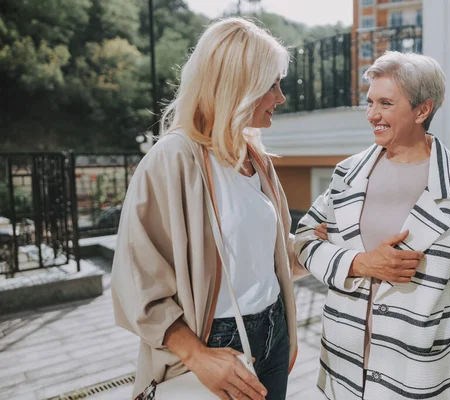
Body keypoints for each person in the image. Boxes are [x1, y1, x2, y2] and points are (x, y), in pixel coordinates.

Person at [111, 17, 305, 400]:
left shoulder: (255, 157)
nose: (280, 97)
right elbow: (136, 281)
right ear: (238, 85)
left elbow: (271, 254)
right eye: (271, 84)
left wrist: (327, 247)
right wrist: (197, 354)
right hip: (213, 344)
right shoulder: (173, 159)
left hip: (274, 332)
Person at [294, 51, 450, 399]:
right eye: (370, 102)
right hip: (344, 369)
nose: (372, 114)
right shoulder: (348, 173)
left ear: (422, 110)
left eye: (386, 103)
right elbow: (303, 240)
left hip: (417, 374)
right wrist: (358, 262)